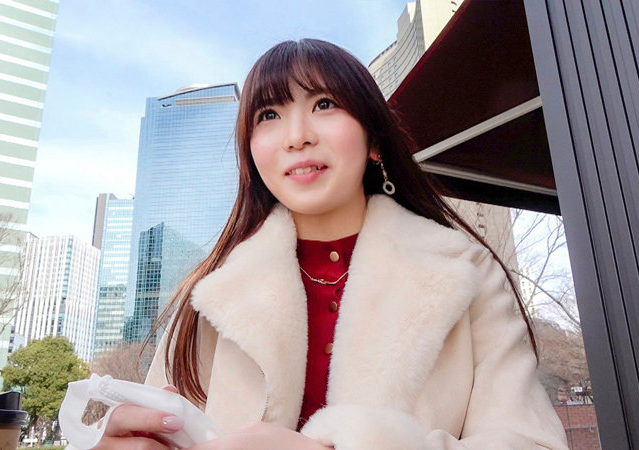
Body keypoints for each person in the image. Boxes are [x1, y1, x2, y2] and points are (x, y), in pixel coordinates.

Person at [96, 39, 568, 449]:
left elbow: (531, 442)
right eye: (269, 115)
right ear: (251, 154)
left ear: (374, 141)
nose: (297, 137)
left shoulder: (466, 270)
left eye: (324, 104)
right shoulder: (213, 291)